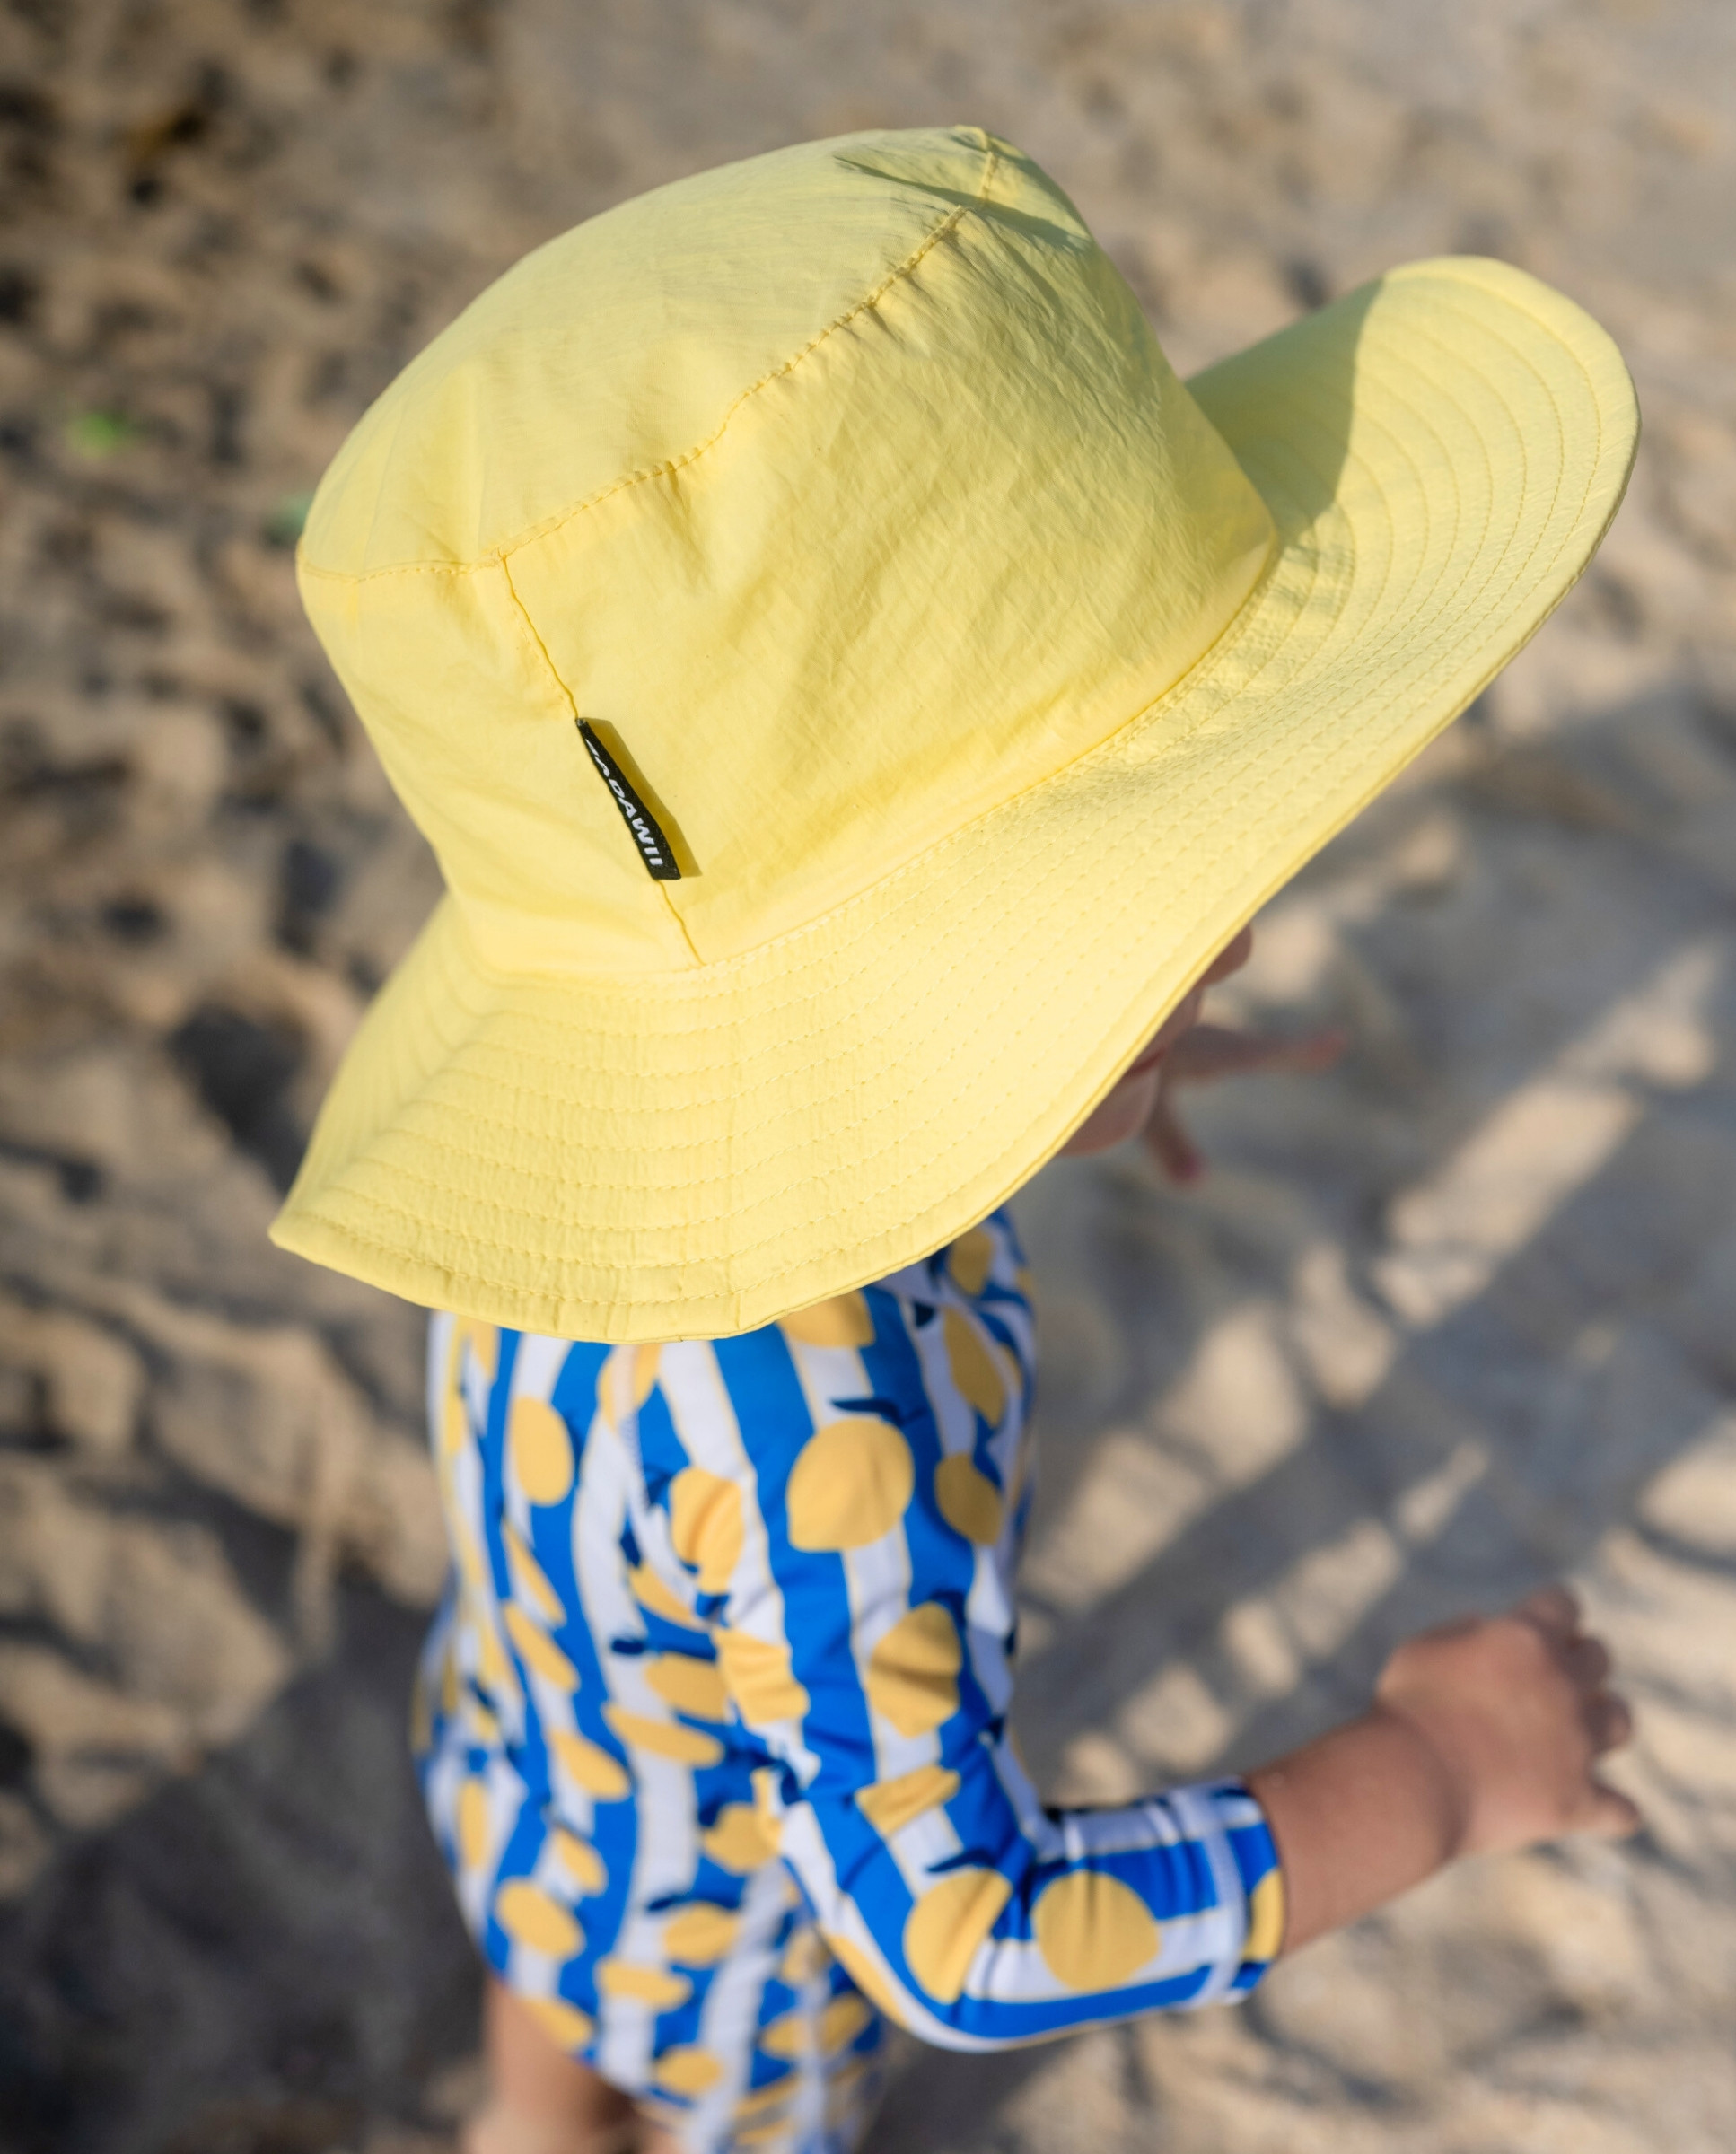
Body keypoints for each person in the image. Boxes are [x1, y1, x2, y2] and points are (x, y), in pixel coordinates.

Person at [268, 127, 1642, 2154]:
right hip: (741, 1960)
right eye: (1136, 898)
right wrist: (1433, 1774)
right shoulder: (837, 1422)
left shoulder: (585, 1193)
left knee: (549, 2009)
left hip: (540, 1776)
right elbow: (965, 1939)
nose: (1232, 931)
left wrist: (1076, 1056)